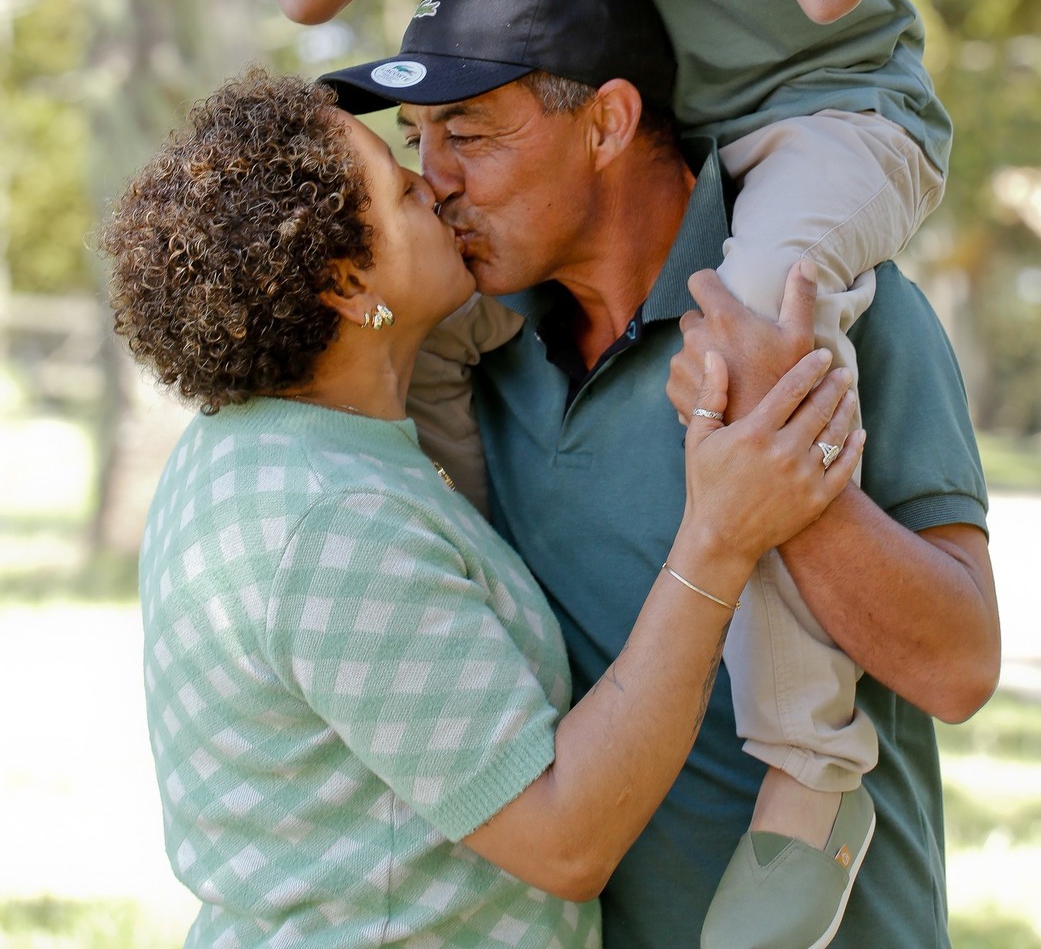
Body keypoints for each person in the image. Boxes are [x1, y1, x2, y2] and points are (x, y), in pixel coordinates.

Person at [275, 0, 952, 941]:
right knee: (433, 342)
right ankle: (510, 665)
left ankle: (809, 774)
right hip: (662, 155)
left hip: (822, 120)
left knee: (752, 339)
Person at [323, 0, 1001, 949]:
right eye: (418, 140)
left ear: (607, 122)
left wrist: (776, 471)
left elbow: (958, 669)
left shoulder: (832, 313)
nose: (439, 181)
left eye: (468, 134)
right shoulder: (474, 352)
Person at [101, 68, 860, 949]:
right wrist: (719, 538)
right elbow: (565, 841)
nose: (432, 186)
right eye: (399, 189)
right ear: (347, 284)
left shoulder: (260, 446)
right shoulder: (330, 524)